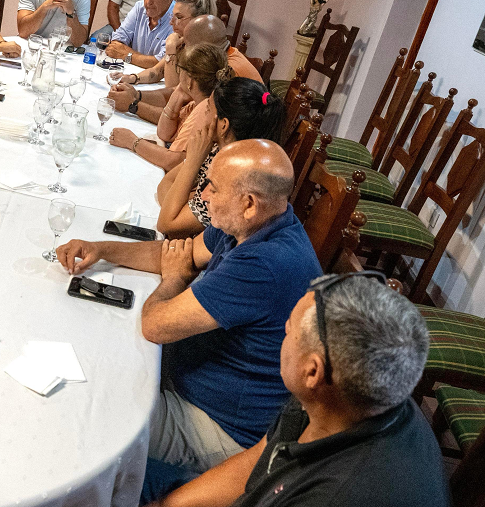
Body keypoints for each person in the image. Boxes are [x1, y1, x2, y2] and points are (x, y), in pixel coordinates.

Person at [107, 274, 456, 507]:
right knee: (114, 475)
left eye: (288, 328)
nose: (283, 332)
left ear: (312, 371)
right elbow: (259, 463)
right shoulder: (353, 396)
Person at [57, 140, 322, 474]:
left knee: (86, 409)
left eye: (213, 187)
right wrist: (101, 249)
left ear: (249, 204)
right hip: (189, 376)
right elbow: (177, 254)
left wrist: (173, 279)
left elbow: (155, 325)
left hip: (218, 428)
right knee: (92, 348)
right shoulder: (252, 223)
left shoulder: (265, 264)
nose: (204, 194)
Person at [156, 78, 285, 238]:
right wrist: (174, 208)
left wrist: (192, 162)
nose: (203, 114)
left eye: (207, 109)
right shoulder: (217, 149)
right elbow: (165, 184)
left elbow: (166, 224)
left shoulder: (232, 177)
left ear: (223, 125)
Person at [109, 14, 260, 123]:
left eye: (186, 45)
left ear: (202, 48)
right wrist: (136, 95)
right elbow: (178, 92)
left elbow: (181, 122)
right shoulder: (218, 55)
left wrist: (133, 105)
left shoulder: (225, 71)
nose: (182, 48)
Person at [109, 43, 231, 171]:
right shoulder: (196, 102)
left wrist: (132, 141)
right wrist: (176, 96)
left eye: (179, 69)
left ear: (190, 81)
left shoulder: (205, 109)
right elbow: (164, 134)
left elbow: (173, 161)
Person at [109, 0, 216, 115]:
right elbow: (157, 71)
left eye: (179, 17)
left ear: (198, 21)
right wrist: (132, 78)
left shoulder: (203, 55)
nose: (171, 22)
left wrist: (170, 50)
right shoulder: (183, 42)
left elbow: (173, 94)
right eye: (172, 16)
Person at [105, 0, 177, 68]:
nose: (148, 2)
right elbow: (117, 41)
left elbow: (163, 64)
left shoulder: (178, 19)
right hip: (133, 70)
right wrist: (142, 60)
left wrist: (127, 55)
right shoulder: (140, 7)